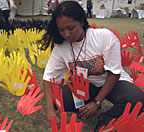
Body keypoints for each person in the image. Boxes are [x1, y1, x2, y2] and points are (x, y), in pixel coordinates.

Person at [37, 1, 144, 131]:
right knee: (56, 99)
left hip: (113, 83)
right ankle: (84, 106)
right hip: (86, 87)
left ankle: (106, 119)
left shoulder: (103, 36)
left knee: (137, 99)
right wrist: (50, 111)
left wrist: (97, 103)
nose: (66, 34)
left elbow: (114, 73)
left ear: (82, 21)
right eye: (61, 30)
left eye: (70, 28)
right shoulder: (61, 48)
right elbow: (48, 78)